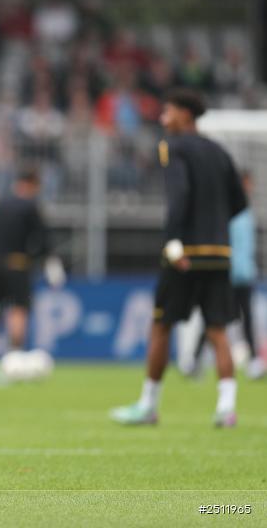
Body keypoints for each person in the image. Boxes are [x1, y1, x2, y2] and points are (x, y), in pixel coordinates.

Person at [111, 89, 247, 428]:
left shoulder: (173, 147)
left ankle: (148, 405)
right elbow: (240, 203)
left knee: (161, 325)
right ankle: (227, 408)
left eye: (168, 112)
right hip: (219, 252)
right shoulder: (220, 152)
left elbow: (179, 194)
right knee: (218, 330)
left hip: (185, 252)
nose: (162, 119)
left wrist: (174, 241)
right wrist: (215, 227)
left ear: (185, 114)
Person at [0, 167, 65, 381]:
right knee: (17, 312)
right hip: (18, 265)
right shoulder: (30, 206)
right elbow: (43, 238)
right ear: (33, 185)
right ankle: (13, 360)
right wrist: (43, 259)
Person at [189, 169, 263, 380]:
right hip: (227, 275)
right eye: (246, 183)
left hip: (244, 275)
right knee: (214, 319)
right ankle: (195, 360)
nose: (249, 187)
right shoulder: (227, 210)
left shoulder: (246, 213)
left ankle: (254, 361)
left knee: (247, 319)